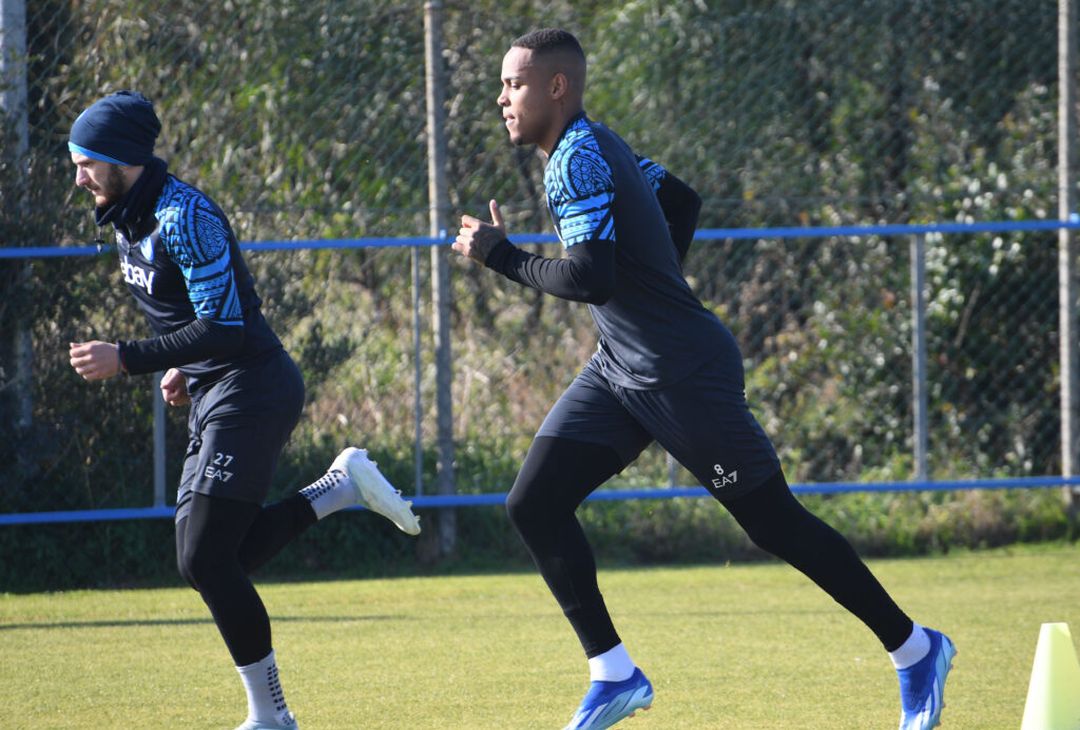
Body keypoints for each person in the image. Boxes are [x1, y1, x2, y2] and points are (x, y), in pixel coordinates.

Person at [452, 29, 954, 730]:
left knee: (773, 523)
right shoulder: (601, 144)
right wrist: (655, 296)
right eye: (504, 85)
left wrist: (501, 255)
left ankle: (916, 648)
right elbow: (680, 201)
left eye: (514, 84)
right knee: (533, 503)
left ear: (557, 87)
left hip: (682, 373)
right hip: (624, 367)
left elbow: (591, 278)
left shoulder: (575, 159)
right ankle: (614, 675)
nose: (502, 98)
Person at [66, 90, 421, 730]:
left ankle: (271, 718)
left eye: (87, 161)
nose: (79, 175)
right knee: (209, 561)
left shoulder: (185, 215)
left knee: (205, 560)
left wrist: (130, 356)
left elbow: (226, 327)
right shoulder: (128, 217)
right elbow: (196, 321)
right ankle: (338, 488)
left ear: (123, 158)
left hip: (253, 385)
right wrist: (181, 365)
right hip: (216, 389)